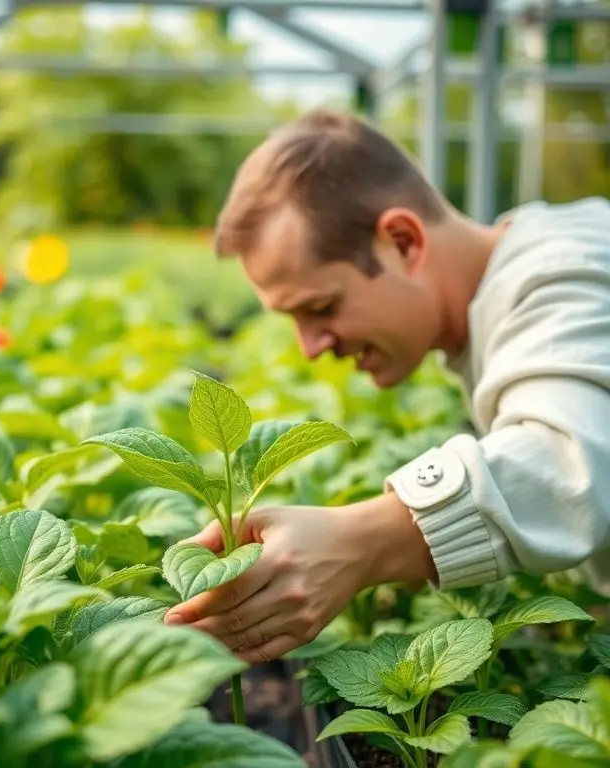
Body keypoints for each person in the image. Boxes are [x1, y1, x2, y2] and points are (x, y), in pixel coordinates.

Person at [163, 108, 610, 664]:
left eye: (321, 307)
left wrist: (364, 541)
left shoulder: (566, 272)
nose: (310, 347)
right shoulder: (538, 262)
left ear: (402, 240)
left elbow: (566, 464)